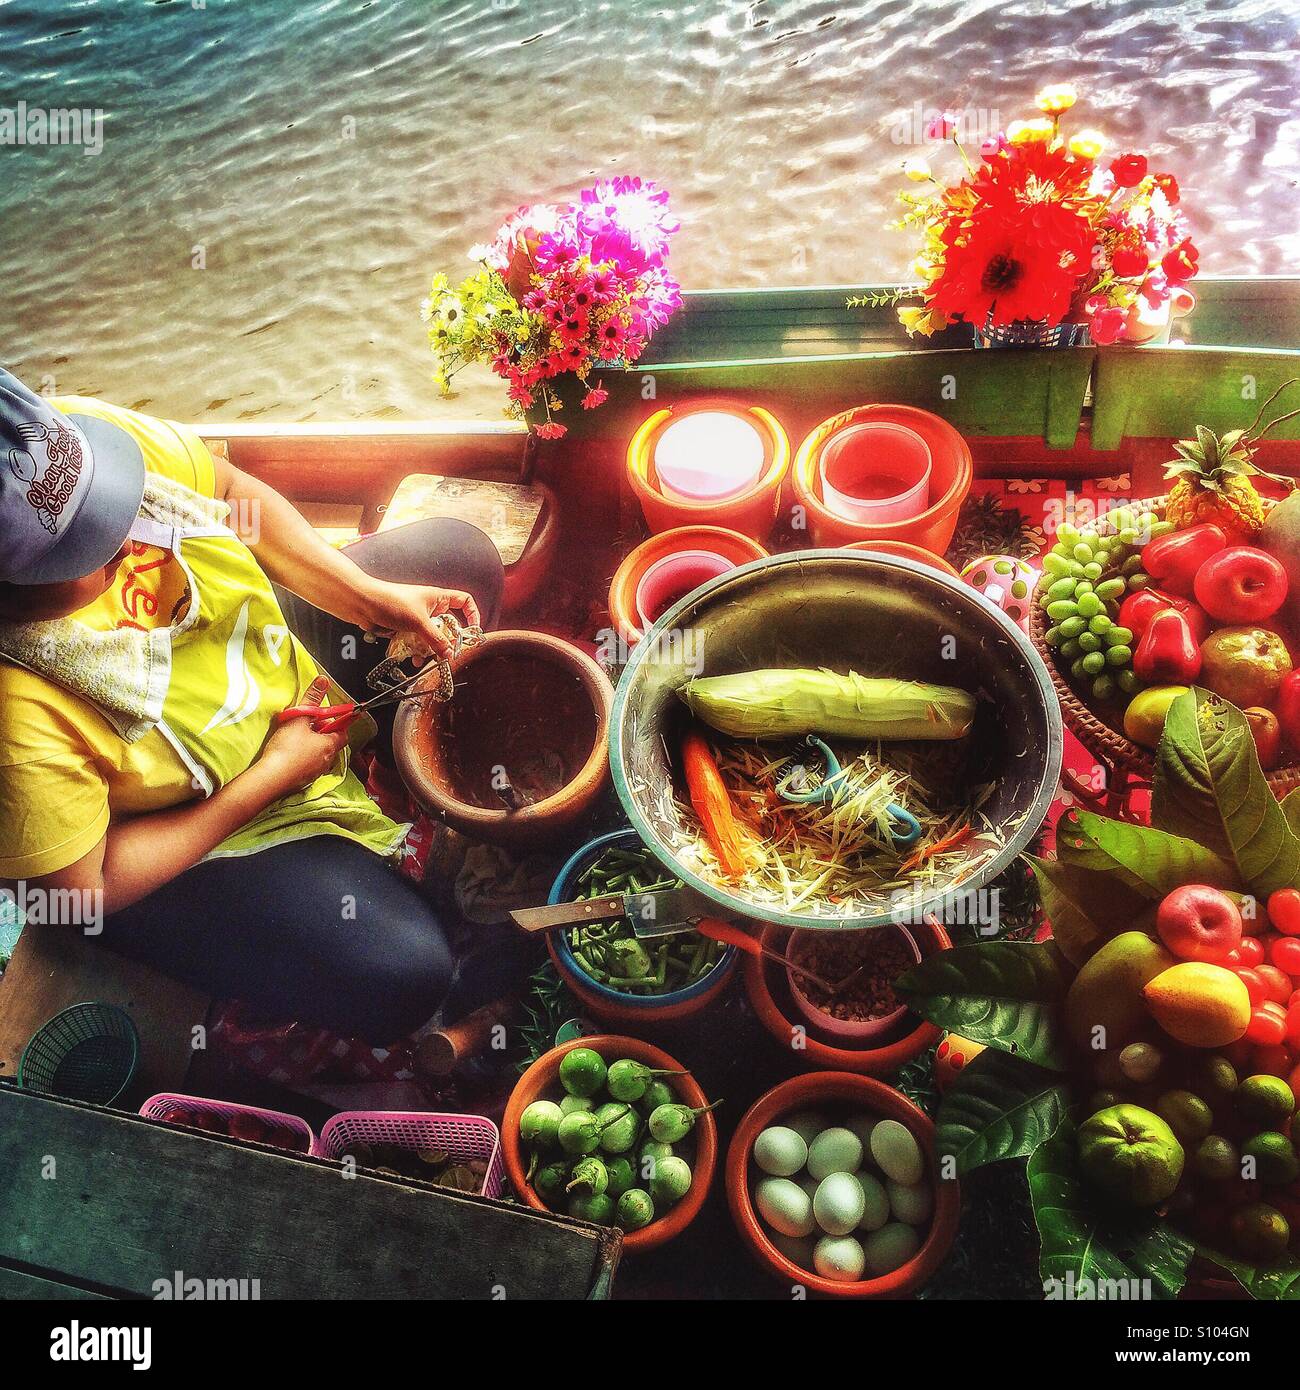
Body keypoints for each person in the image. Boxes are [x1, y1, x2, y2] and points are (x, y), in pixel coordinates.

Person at [0, 368, 508, 1042]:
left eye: (112, 502)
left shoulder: (63, 449)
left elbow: (232, 492)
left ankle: (373, 762)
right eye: (86, 548)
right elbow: (75, 891)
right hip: (178, 824)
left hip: (255, 657)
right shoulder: (16, 716)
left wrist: (367, 600)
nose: (127, 534)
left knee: (460, 557)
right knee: (406, 973)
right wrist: (271, 776)